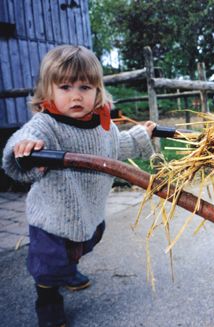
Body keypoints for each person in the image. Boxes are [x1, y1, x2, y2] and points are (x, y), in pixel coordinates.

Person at [2, 45, 156, 327]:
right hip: (51, 218)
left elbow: (118, 147)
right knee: (49, 264)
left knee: (85, 242)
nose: (76, 95)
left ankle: (68, 269)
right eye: (65, 86)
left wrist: (140, 135)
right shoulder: (46, 125)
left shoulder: (102, 125)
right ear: (48, 92)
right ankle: (48, 300)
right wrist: (23, 148)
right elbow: (21, 140)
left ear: (98, 91)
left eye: (85, 86)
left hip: (89, 212)